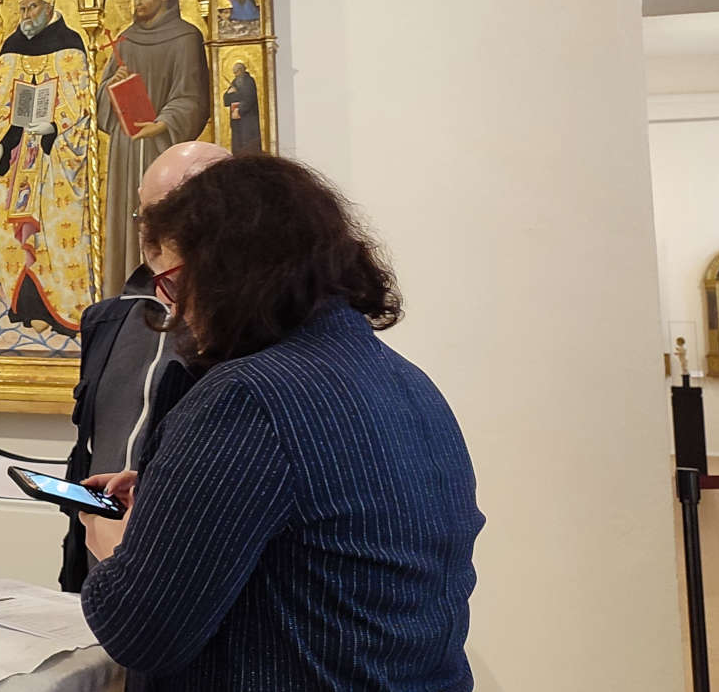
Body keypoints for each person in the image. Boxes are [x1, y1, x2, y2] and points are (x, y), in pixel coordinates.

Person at [78, 156, 483, 688]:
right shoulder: (409, 382)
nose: (175, 312)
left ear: (226, 271)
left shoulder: (245, 396)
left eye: (172, 283)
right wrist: (176, 502)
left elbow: (139, 631)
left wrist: (118, 541)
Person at [58, 140, 228, 592]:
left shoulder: (238, 330)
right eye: (147, 214)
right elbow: (90, 439)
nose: (153, 230)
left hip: (172, 573)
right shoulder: (106, 318)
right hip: (98, 556)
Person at [95, 0, 209, 296]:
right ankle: (124, 291)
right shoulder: (127, 40)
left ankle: (170, 293)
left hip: (164, 145)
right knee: (126, 219)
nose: (138, 2)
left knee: (164, 219)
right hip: (126, 144)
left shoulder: (186, 37)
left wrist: (166, 121)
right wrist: (112, 86)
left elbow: (194, 96)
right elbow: (101, 99)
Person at [0, 0, 93, 334]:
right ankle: (25, 306)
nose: (26, 16)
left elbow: (80, 103)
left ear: (50, 7)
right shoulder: (10, 47)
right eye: (22, 9)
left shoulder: (69, 45)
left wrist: (55, 129)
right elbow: (2, 104)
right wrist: (2, 145)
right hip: (20, 156)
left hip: (54, 159)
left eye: (33, 8)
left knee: (55, 231)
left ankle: (64, 311)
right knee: (16, 234)